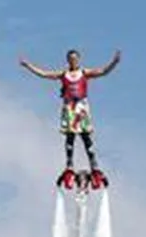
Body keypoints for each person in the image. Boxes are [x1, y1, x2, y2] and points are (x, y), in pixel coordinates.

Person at [19, 48, 121, 188]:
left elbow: (103, 71)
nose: (73, 61)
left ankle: (94, 165)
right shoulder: (64, 74)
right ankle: (69, 165)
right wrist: (28, 66)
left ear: (78, 59)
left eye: (75, 58)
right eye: (71, 59)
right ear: (68, 60)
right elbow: (44, 74)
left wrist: (114, 63)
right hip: (69, 107)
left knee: (86, 136)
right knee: (70, 136)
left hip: (81, 107)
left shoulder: (84, 72)